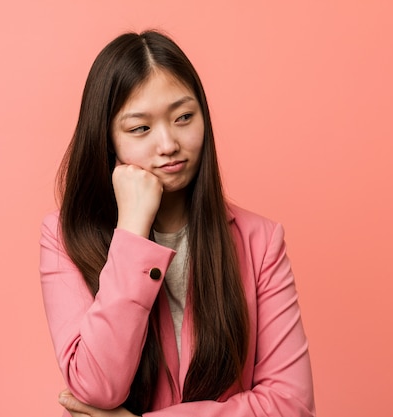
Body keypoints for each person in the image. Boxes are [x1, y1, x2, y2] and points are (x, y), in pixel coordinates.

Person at [40, 30, 315, 417]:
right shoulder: (64, 238)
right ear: (107, 140)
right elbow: (97, 387)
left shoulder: (260, 241)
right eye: (140, 129)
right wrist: (132, 230)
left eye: (184, 117)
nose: (168, 143)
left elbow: (291, 407)